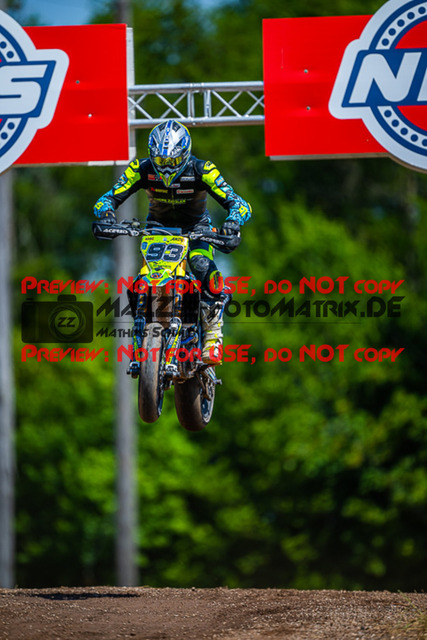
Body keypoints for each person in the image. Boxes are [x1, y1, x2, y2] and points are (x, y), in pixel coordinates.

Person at [93, 119, 251, 364]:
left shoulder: (203, 170)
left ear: (185, 154)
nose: (166, 167)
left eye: (173, 161)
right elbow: (107, 198)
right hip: (157, 230)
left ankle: (213, 337)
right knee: (143, 278)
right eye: (160, 160)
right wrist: (106, 214)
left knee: (201, 264)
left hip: (196, 229)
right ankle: (142, 330)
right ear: (152, 155)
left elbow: (240, 204)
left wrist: (233, 221)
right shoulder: (140, 168)